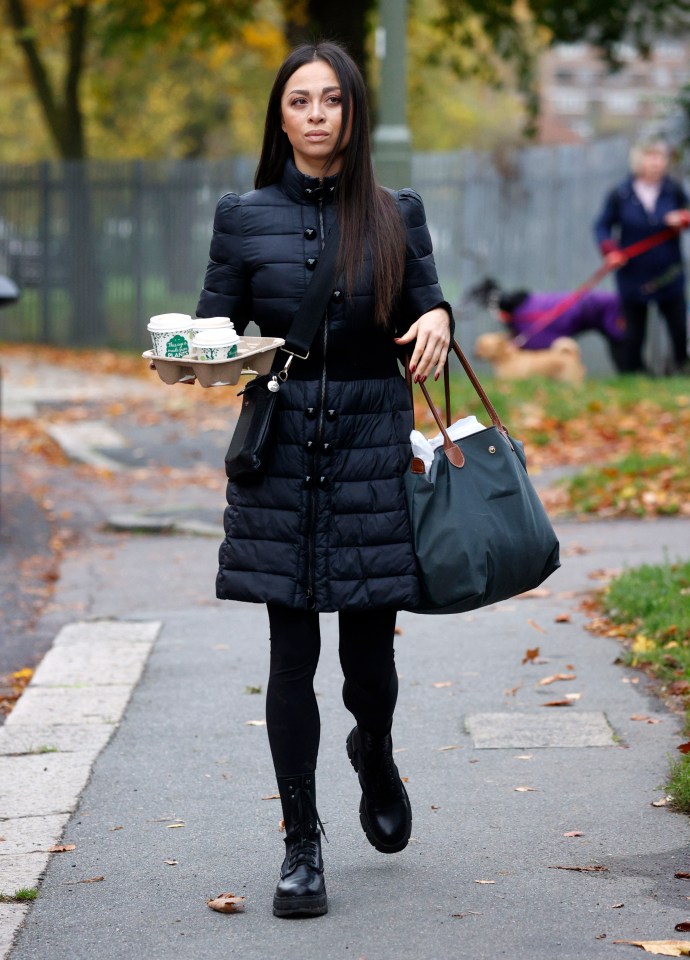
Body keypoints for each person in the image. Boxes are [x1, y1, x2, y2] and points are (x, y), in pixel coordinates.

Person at [196, 41, 452, 918]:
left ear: (352, 115)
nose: (314, 115)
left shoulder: (395, 212)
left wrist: (441, 319)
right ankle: (301, 845)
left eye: (330, 101)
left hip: (371, 448)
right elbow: (213, 332)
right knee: (289, 654)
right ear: (281, 116)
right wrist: (198, 357)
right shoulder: (242, 215)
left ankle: (373, 749)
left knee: (366, 659)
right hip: (281, 451)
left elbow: (425, 302)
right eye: (299, 101)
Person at [593, 138, 690, 374]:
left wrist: (681, 219)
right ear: (639, 160)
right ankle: (635, 375)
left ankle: (681, 370)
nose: (656, 162)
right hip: (633, 274)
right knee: (634, 332)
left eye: (661, 157)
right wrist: (611, 251)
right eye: (651, 156)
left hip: (668, 273)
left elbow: (687, 214)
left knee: (679, 327)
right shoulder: (621, 193)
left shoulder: (673, 190)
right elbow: (601, 226)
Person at [468, 277, 627, 372]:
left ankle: (633, 373)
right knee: (621, 342)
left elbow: (543, 343)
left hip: (606, 307)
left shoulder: (525, 317)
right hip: (595, 305)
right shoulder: (524, 311)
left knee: (624, 342)